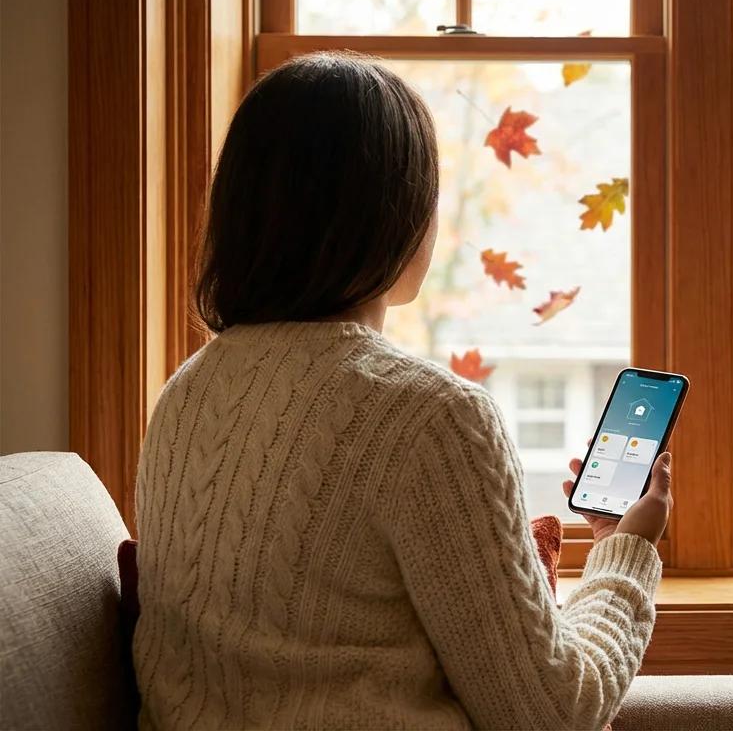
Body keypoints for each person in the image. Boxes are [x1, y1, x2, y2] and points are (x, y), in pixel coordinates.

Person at [132, 51, 672, 731]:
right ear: (397, 214)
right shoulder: (431, 417)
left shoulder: (182, 396)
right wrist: (628, 552)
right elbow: (551, 714)